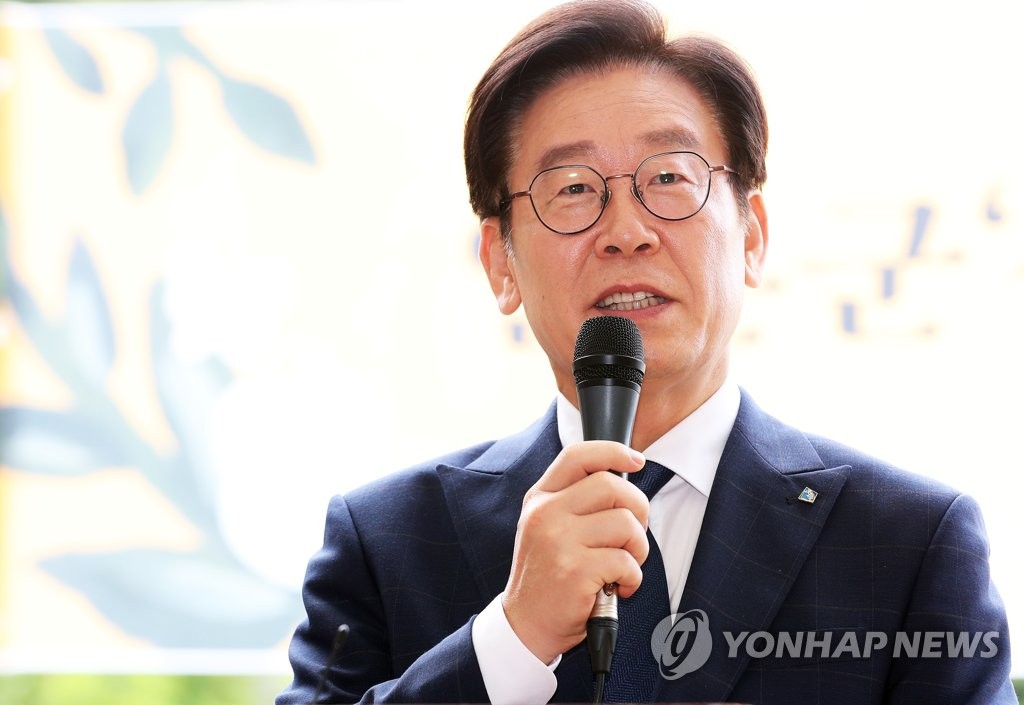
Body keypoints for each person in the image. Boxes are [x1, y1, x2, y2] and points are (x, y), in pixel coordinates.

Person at [277, 1, 1016, 702]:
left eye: (668, 178)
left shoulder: (910, 542)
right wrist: (512, 638)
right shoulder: (386, 542)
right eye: (572, 189)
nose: (626, 232)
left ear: (752, 236)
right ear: (500, 263)